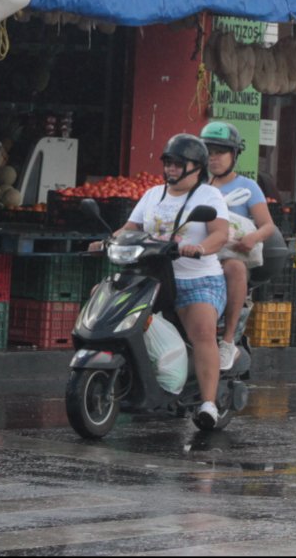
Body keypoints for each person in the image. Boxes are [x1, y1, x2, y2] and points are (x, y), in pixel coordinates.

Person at [89, 133, 230, 429]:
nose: (171, 169)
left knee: (203, 330)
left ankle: (208, 404)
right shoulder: (153, 194)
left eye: (178, 164)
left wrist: (201, 248)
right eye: (168, 163)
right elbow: (130, 227)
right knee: (107, 304)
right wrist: (106, 241)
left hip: (198, 278)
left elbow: (220, 233)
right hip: (152, 278)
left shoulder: (209, 197)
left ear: (196, 167)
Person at [200, 121, 278, 372]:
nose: (214, 158)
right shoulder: (197, 186)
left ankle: (227, 340)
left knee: (235, 268)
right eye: (209, 152)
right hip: (197, 255)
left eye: (220, 152)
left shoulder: (248, 187)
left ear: (234, 155)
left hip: (229, 256)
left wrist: (252, 238)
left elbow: (267, 226)